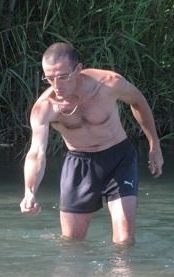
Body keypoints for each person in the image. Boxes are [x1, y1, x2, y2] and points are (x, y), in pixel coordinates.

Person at [19, 42, 164, 245]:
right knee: (71, 243)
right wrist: (30, 191)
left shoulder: (108, 84)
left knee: (124, 240)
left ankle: (122, 276)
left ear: (78, 70)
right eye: (50, 78)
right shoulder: (45, 108)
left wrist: (154, 146)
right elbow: (36, 153)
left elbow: (138, 102)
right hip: (80, 162)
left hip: (118, 158)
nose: (57, 85)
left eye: (62, 77)